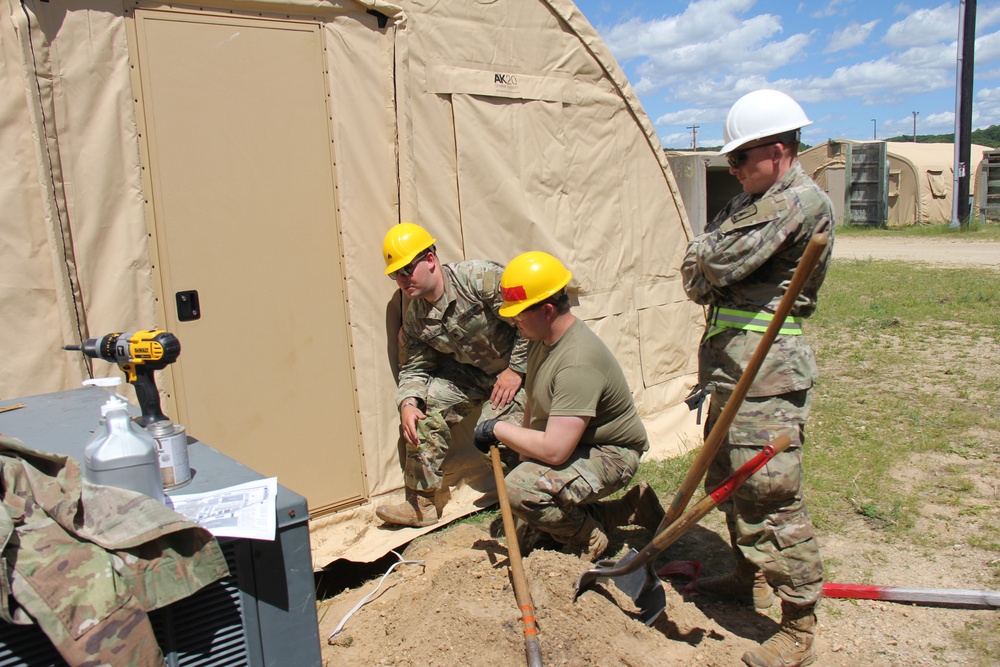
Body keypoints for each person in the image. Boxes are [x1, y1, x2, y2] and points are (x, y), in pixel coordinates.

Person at [680, 89, 833, 667]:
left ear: (776, 150)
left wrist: (705, 255)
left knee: (769, 494)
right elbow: (695, 270)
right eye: (731, 162)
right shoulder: (752, 201)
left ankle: (798, 625)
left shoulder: (797, 202)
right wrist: (704, 256)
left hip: (765, 372)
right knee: (726, 479)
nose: (734, 170)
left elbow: (711, 264)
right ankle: (747, 574)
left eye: (740, 159)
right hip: (730, 366)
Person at [472, 251, 663, 562]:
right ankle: (629, 508)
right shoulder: (540, 339)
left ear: (547, 311)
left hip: (611, 452)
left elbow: (555, 451)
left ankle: (590, 539)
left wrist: (498, 430)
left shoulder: (577, 362)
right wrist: (523, 459)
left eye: (519, 313)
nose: (513, 320)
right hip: (577, 441)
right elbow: (535, 403)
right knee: (528, 506)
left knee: (521, 492)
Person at [376, 222, 529, 528]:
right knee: (423, 410)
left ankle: (524, 500)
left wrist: (516, 370)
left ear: (430, 259)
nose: (403, 280)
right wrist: (408, 402)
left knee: (496, 432)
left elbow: (529, 316)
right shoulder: (415, 314)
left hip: (522, 368)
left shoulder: (479, 278)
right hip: (474, 374)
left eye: (407, 269)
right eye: (396, 274)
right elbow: (415, 366)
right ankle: (423, 503)